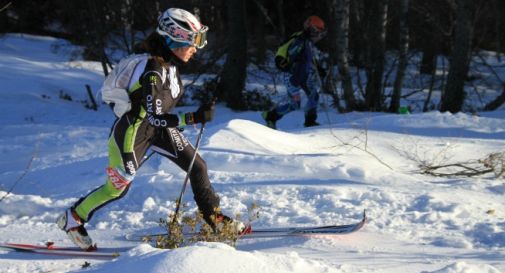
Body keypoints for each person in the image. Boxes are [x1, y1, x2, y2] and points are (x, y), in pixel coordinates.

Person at [57, 8, 243, 250]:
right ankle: (72, 219)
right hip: (132, 135)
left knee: (197, 166)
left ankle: (215, 219)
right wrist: (194, 117)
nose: (196, 48)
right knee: (117, 189)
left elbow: (160, 113)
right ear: (175, 38)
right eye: (193, 41)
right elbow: (154, 116)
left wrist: (194, 116)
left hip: (158, 130)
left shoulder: (171, 65)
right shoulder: (152, 69)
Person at [262, 15, 327, 129]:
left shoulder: (307, 41)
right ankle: (270, 116)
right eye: (317, 32)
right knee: (294, 105)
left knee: (314, 96)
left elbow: (308, 57)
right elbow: (292, 57)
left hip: (304, 76)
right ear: (311, 29)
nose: (318, 36)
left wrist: (319, 69)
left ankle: (310, 122)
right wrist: (291, 72)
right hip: (292, 78)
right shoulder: (300, 40)